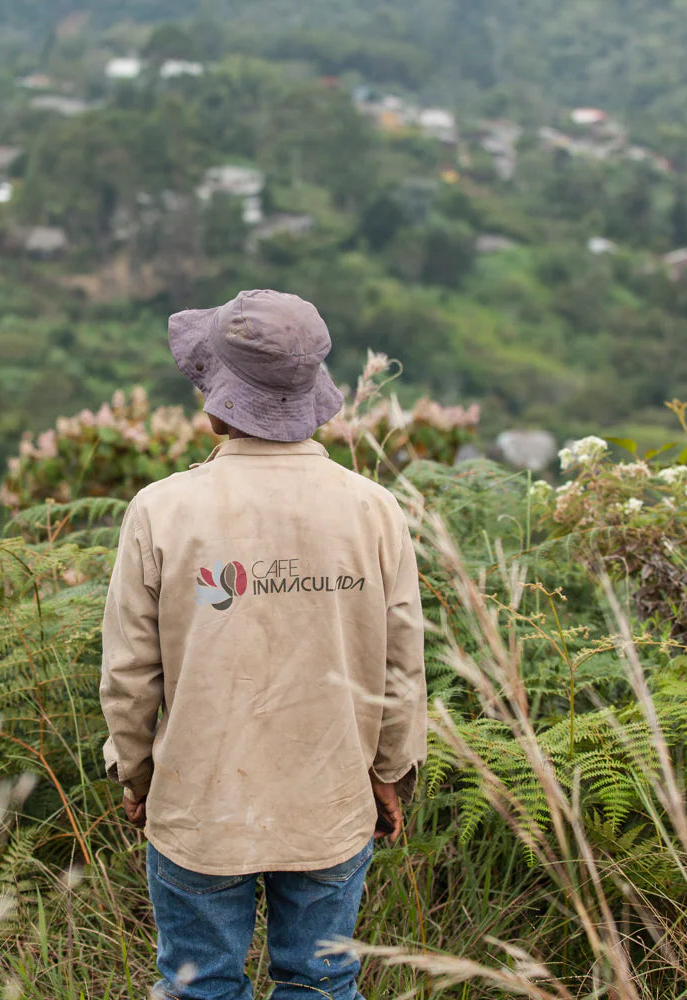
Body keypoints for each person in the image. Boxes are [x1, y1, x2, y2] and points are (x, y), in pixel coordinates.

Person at [100, 289, 428, 1000]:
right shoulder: (373, 510)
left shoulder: (161, 510)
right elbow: (402, 668)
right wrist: (389, 773)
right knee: (319, 984)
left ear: (216, 399)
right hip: (331, 806)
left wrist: (138, 775)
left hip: (198, 804)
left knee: (200, 988)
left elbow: (129, 677)